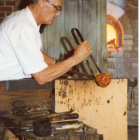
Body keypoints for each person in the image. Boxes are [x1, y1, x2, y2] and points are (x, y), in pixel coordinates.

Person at [0, 0, 92, 85]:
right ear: (41, 3)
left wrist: (56, 64)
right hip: (5, 91)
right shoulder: (23, 27)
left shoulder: (21, 19)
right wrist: (76, 59)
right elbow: (41, 77)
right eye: (57, 8)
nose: (58, 14)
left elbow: (32, 52)